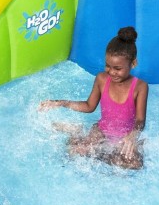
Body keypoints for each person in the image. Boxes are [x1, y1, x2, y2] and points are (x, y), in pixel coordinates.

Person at [40, 27, 149, 170]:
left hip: (125, 136)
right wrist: (61, 103)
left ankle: (92, 147)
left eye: (117, 68)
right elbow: (89, 106)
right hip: (102, 130)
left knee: (136, 164)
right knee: (74, 151)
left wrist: (132, 135)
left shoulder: (140, 87)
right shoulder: (102, 79)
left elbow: (140, 120)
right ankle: (78, 134)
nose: (111, 72)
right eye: (108, 66)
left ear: (133, 63)